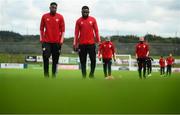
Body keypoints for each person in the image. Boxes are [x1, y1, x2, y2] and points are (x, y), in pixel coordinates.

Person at [73, 6, 101, 78]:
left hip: (91, 44)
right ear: (81, 12)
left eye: (87, 12)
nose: (85, 13)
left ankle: (91, 74)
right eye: (84, 12)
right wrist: (75, 44)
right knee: (83, 61)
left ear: (89, 12)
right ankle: (84, 76)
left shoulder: (93, 20)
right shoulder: (78, 21)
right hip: (82, 45)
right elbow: (76, 33)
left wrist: (99, 41)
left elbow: (96, 31)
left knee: (93, 60)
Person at [40, 2, 65, 77]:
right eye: (52, 7)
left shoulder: (60, 17)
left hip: (57, 43)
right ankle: (46, 75)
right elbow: (41, 29)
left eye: (55, 8)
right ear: (50, 8)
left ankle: (54, 75)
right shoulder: (44, 16)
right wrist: (42, 39)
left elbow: (63, 30)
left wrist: (61, 40)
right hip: (46, 42)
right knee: (45, 58)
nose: (54, 9)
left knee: (55, 60)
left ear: (56, 8)